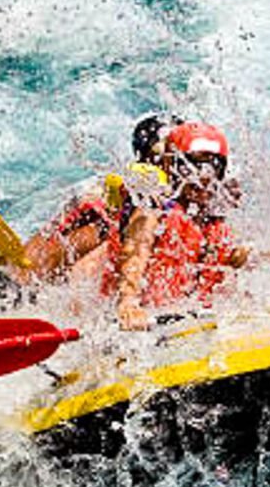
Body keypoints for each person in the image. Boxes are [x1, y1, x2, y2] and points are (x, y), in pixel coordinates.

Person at [105, 121, 250, 330]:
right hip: (145, 324)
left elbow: (243, 257)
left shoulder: (216, 222)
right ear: (170, 166)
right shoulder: (152, 210)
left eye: (213, 166)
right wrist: (128, 303)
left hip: (192, 320)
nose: (204, 176)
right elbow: (136, 251)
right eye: (192, 166)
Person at [20, 112, 181, 284]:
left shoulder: (202, 192)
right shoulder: (134, 182)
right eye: (168, 157)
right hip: (104, 256)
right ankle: (26, 274)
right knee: (98, 218)